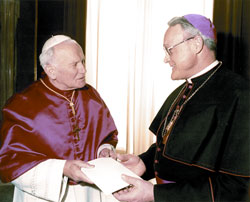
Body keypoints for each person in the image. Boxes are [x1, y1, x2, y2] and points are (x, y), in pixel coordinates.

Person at [113, 14, 250, 202]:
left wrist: (154, 194)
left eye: (169, 50)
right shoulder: (185, 89)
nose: (166, 59)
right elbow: (174, 147)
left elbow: (238, 188)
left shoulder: (240, 96)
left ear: (196, 44)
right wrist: (144, 163)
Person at [0, 35, 119, 202]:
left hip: (90, 192)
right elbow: (11, 162)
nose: (83, 70)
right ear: (51, 71)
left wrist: (104, 149)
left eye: (83, 61)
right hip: (46, 196)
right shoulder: (22, 105)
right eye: (75, 64)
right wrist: (62, 168)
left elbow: (107, 135)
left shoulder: (90, 95)